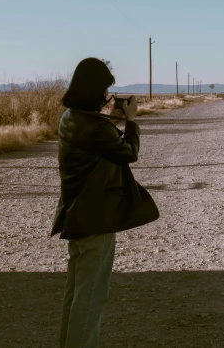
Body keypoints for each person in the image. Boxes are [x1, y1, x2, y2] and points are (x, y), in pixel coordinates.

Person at [51, 57, 156, 348]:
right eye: (105, 90)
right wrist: (131, 121)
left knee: (75, 295)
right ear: (95, 90)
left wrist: (111, 118)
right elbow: (128, 152)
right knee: (91, 298)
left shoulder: (70, 118)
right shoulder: (95, 127)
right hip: (95, 219)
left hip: (76, 217)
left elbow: (103, 143)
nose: (106, 96)